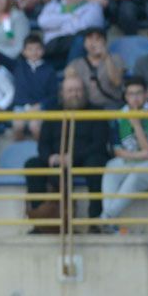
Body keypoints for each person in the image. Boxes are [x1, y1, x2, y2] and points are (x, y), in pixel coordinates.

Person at [24, 76, 110, 228]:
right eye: (70, 90)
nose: (74, 94)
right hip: (58, 159)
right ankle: (40, 222)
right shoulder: (53, 113)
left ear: (84, 92)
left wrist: (72, 157)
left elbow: (99, 144)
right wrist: (50, 157)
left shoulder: (97, 112)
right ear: (62, 93)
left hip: (85, 158)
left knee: (96, 163)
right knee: (33, 164)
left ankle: (95, 221)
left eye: (78, 90)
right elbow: (43, 144)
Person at [100, 77, 148, 233]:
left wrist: (137, 125)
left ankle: (107, 217)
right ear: (125, 96)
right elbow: (118, 150)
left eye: (139, 93)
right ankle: (109, 219)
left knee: (136, 175)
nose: (135, 97)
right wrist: (140, 156)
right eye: (131, 94)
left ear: (146, 95)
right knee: (111, 168)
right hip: (131, 159)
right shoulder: (121, 115)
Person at [37, 0, 105, 69]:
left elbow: (81, 28)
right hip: (51, 48)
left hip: (77, 49)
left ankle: (72, 75)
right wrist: (70, 17)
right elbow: (42, 22)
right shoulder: (52, 6)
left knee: (80, 39)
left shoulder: (93, 7)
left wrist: (55, 26)